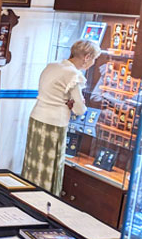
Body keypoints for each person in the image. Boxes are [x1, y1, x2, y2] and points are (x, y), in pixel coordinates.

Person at [22, 40, 99, 193]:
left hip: (37, 116)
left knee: (33, 162)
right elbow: (79, 109)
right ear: (87, 57)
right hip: (54, 123)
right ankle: (43, 201)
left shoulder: (53, 66)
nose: (93, 62)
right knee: (48, 167)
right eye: (94, 58)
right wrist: (75, 104)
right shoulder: (73, 75)